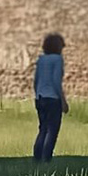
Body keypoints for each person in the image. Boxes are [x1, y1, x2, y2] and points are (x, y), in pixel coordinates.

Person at [33, 32, 69, 162]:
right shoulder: (57, 60)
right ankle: (46, 158)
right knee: (52, 130)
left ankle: (37, 158)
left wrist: (37, 95)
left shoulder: (41, 60)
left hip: (40, 97)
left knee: (43, 129)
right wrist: (63, 101)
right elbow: (56, 81)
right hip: (53, 98)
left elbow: (36, 81)